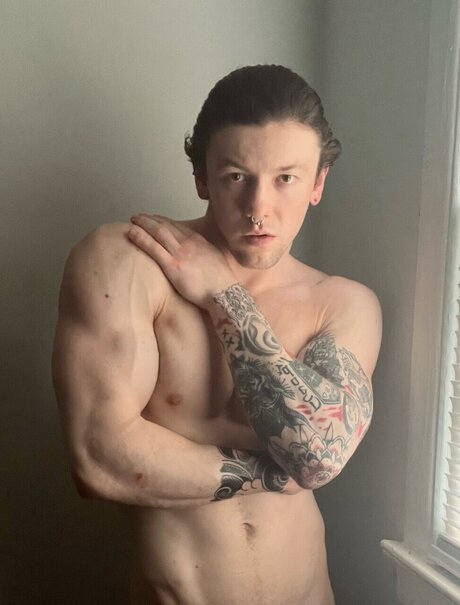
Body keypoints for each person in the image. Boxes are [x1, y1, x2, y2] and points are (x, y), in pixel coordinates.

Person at [52, 64, 382, 605]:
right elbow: (99, 460)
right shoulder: (122, 262)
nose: (258, 210)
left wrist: (224, 295)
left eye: (286, 178)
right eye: (235, 177)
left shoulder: (344, 304)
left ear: (318, 183)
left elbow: (319, 455)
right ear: (202, 177)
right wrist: (275, 473)